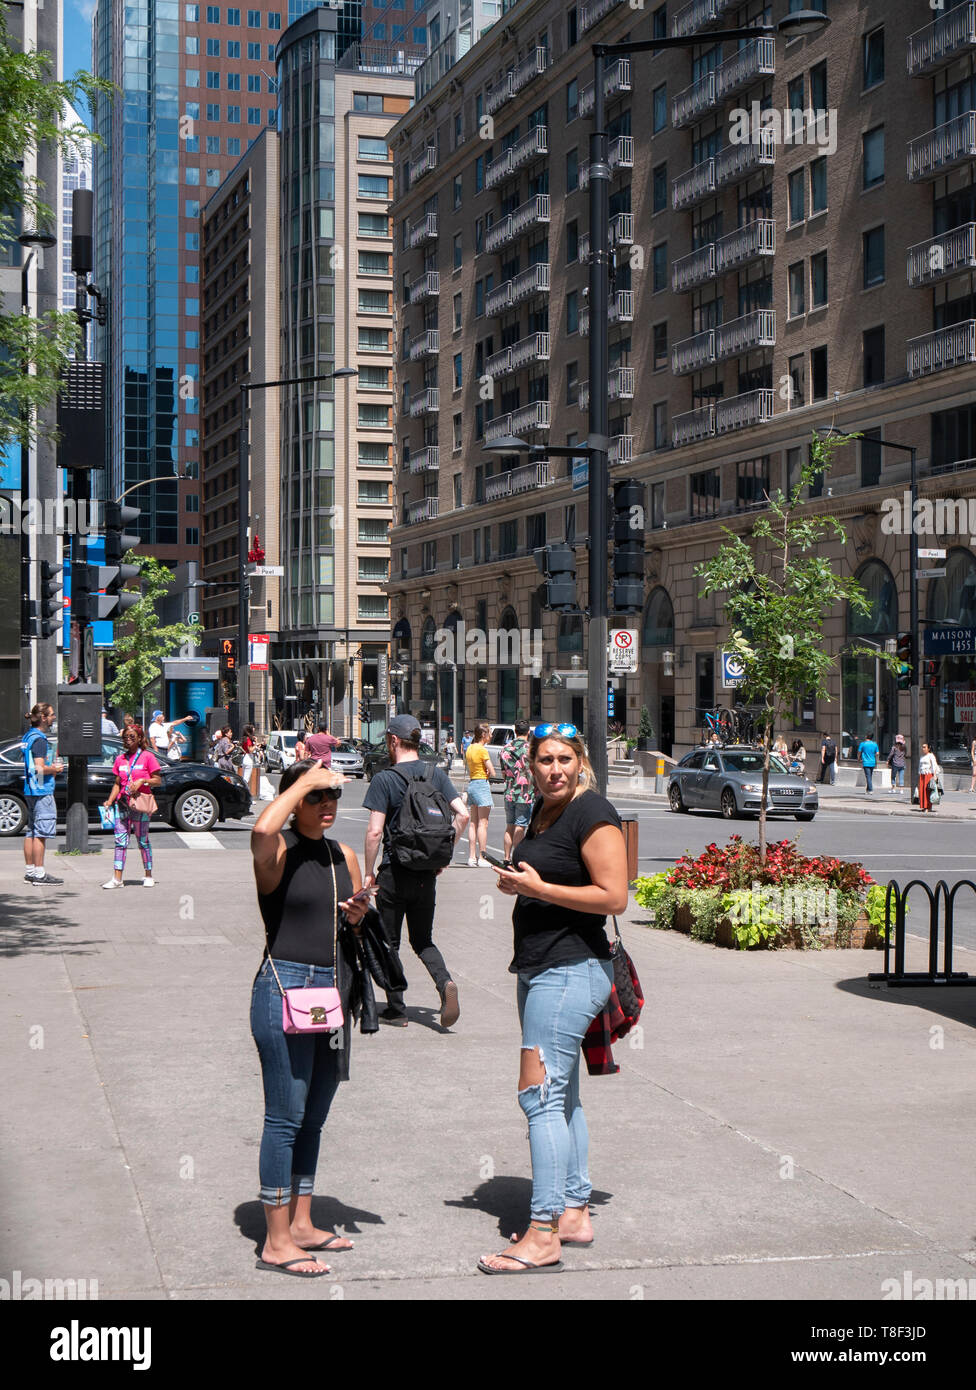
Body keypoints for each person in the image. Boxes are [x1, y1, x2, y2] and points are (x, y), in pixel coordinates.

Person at [478, 722, 628, 1275]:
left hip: (568, 972)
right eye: (545, 760)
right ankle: (573, 1210)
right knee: (561, 1099)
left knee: (537, 1095)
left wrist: (540, 889)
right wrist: (521, 883)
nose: (555, 769)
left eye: (565, 759)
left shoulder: (592, 812)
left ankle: (542, 1232)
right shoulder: (545, 812)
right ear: (531, 765)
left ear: (581, 760)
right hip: (541, 969)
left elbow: (615, 896)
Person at [249, 757, 370, 1277]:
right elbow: (259, 827)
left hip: (331, 989)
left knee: (315, 1115)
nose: (328, 806)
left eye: (333, 797)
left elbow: (355, 925)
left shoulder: (343, 853)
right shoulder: (278, 851)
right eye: (317, 798)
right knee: (285, 1115)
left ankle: (301, 1223)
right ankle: (275, 1241)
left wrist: (360, 913)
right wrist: (304, 781)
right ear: (295, 800)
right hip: (284, 985)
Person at [362, 714, 469, 1028]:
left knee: (390, 943)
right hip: (426, 874)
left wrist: (368, 872)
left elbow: (373, 832)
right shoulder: (435, 775)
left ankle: (396, 1009)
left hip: (394, 872)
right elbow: (462, 815)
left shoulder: (385, 778)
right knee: (423, 940)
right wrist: (442, 856)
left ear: (393, 741)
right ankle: (445, 982)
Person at [101, 724, 162, 888]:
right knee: (120, 841)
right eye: (125, 737)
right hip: (122, 804)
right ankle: (117, 878)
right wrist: (109, 800)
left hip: (140, 805)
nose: (128, 740)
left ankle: (148, 875)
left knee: (142, 840)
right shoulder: (120, 759)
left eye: (132, 737)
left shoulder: (147, 757)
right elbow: (117, 784)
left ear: (140, 739)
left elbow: (158, 780)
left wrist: (143, 780)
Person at [22, 703, 64, 887]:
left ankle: (30, 871)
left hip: (31, 789)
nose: (54, 717)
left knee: (31, 831)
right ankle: (39, 874)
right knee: (41, 833)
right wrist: (55, 768)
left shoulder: (28, 736)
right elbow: (39, 768)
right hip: (41, 790)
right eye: (52, 715)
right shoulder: (39, 739)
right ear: (44, 718)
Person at [500, 719, 533, 862]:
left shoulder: (505, 749)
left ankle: (506, 858)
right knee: (521, 826)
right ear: (529, 732)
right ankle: (517, 859)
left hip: (509, 792)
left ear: (515, 730)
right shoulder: (531, 749)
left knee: (509, 826)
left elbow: (503, 773)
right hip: (525, 794)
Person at [464, 722, 495, 867]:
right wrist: (489, 772)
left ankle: (472, 857)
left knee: (473, 823)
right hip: (482, 784)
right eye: (489, 733)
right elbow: (492, 771)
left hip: (472, 784)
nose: (491, 735)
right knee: (483, 823)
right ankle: (483, 857)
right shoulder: (482, 750)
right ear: (483, 735)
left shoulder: (469, 748)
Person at [918, 742, 940, 812]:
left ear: (928, 748)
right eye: (922, 747)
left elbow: (934, 765)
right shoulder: (922, 757)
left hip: (928, 774)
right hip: (922, 774)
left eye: (925, 747)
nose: (923, 749)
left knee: (927, 791)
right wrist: (919, 773)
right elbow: (919, 766)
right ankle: (924, 806)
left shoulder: (931, 756)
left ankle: (928, 807)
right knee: (922, 791)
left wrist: (935, 775)